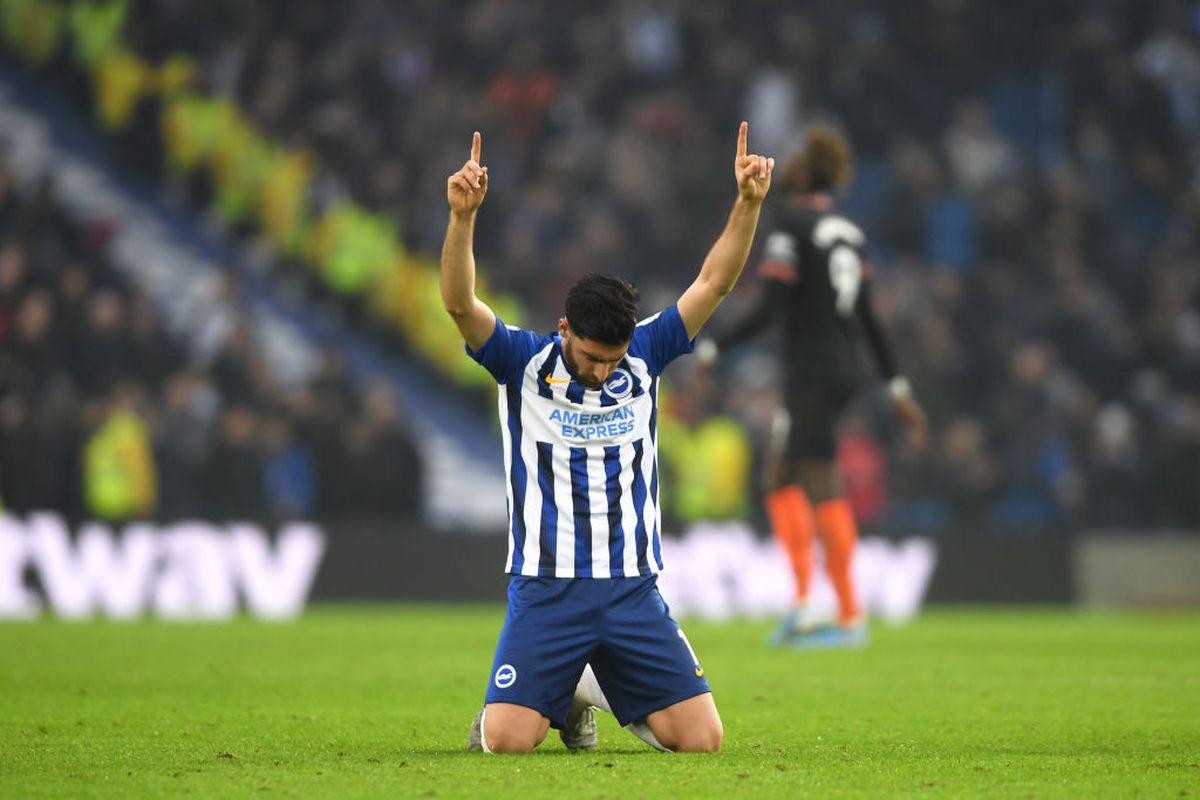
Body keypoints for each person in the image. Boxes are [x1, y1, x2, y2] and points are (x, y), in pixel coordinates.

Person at [441, 124, 773, 753]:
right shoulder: (521, 362)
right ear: (564, 327)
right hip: (547, 586)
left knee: (703, 741)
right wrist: (462, 219)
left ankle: (584, 684)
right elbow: (460, 304)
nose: (602, 371)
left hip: (631, 588)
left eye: (612, 360)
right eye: (593, 357)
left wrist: (748, 204)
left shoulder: (644, 353)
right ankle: (556, 695)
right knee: (508, 743)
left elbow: (714, 283)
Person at [698, 127, 927, 648]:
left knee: (819, 479)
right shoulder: (849, 231)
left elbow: (771, 305)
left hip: (811, 369)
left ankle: (848, 614)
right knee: (780, 475)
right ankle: (804, 603)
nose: (791, 165)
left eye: (797, 161)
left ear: (806, 172)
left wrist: (713, 346)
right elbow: (869, 320)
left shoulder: (793, 224)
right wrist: (897, 389)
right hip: (840, 368)